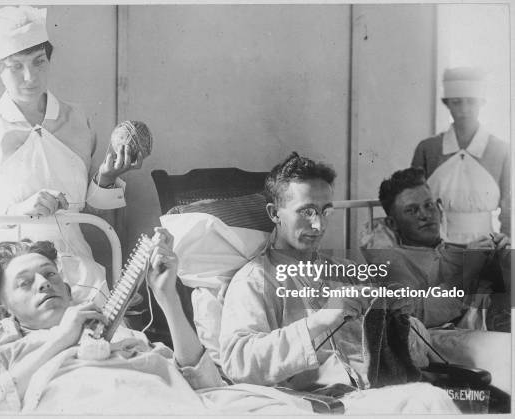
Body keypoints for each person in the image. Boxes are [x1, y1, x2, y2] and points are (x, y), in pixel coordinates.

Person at [0, 231, 320, 414]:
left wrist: (167, 296)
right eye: (25, 284)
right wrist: (60, 340)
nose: (44, 283)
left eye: (50, 274)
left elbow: (205, 383)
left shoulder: (115, 330)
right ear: (5, 311)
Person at [218, 152, 458, 414]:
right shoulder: (255, 280)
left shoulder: (349, 272)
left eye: (325, 211)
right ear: (275, 213)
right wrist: (320, 320)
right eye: (306, 211)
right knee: (427, 402)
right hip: (318, 405)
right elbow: (238, 362)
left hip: (377, 392)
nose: (318, 224)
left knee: (433, 398)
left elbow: (412, 350)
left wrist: (402, 319)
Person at [0, 5, 138, 260]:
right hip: (12, 269)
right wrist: (18, 211)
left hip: (76, 263)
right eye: (15, 67)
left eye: (38, 61)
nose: (30, 76)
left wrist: (107, 178)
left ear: (49, 58)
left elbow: (86, 209)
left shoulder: (77, 119)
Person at [363, 167, 510, 331]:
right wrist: (466, 272)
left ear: (439, 208)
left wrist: (505, 259)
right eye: (412, 210)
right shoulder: (393, 262)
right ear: (392, 223)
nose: (425, 215)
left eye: (429, 205)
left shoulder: (462, 250)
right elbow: (416, 315)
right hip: (454, 337)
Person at [411, 67, 510, 244]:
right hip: (437, 245)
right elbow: (413, 199)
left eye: (471, 102)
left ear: (482, 102)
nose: (464, 109)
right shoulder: (427, 149)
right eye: (456, 102)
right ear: (447, 103)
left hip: (486, 245)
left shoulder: (501, 150)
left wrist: (507, 240)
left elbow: (509, 203)